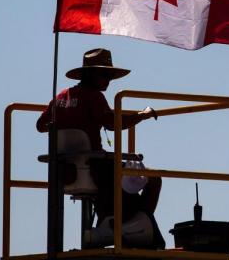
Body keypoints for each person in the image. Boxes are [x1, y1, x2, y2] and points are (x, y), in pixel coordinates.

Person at [36, 48, 165, 249]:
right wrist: (142, 114)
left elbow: (40, 125)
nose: (108, 80)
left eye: (110, 75)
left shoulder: (61, 97)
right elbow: (114, 124)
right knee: (154, 178)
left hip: (64, 173)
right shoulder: (93, 97)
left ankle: (114, 227)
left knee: (122, 179)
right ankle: (134, 230)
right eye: (104, 74)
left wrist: (67, 123)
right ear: (89, 74)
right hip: (98, 171)